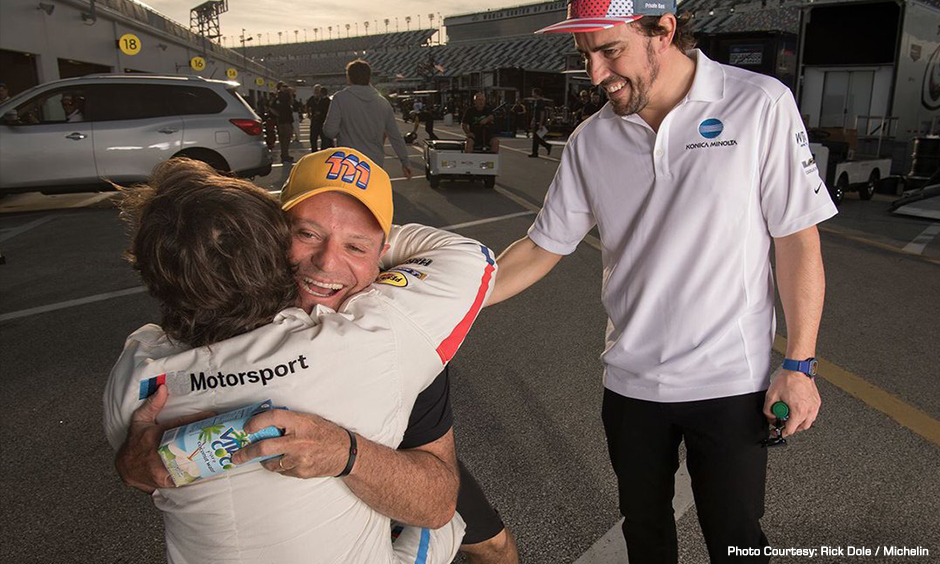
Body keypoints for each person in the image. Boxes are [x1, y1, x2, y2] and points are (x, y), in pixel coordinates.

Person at [489, 1, 838, 562]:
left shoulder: (758, 103)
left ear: (663, 31)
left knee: (737, 540)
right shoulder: (591, 140)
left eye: (610, 51)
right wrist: (447, 298)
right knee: (645, 534)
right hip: (631, 386)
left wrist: (799, 365)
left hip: (730, 382)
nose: (596, 75)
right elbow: (539, 248)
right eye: (585, 57)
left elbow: (796, 239)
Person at [105, 151, 498, 563]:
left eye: (355, 246)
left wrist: (147, 458)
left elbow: (146, 471)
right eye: (306, 234)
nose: (328, 261)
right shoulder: (383, 332)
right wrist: (347, 453)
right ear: (273, 235)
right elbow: (469, 256)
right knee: (469, 534)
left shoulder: (138, 369)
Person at [322, 59, 412, 179]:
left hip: (348, 163)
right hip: (374, 162)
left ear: (349, 77)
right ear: (369, 77)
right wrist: (405, 161)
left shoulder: (340, 98)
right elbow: (395, 135)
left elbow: (329, 131)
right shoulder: (383, 102)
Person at [272, 82, 295, 163]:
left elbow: (291, 103)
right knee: (285, 138)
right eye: (283, 86)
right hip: (284, 120)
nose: (286, 88)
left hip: (284, 119)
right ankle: (285, 155)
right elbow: (271, 107)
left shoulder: (282, 95)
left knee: (284, 139)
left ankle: (285, 154)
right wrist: (278, 114)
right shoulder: (281, 96)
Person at [528, 88, 551, 158]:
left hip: (539, 122)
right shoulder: (536, 101)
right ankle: (542, 148)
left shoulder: (541, 102)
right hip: (536, 120)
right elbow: (535, 113)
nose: (532, 94)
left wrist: (541, 123)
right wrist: (533, 120)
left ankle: (536, 151)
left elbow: (542, 113)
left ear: (536, 93)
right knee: (536, 137)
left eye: (533, 93)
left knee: (536, 137)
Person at [306, 84, 329, 151]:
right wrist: (309, 114)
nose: (316, 92)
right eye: (315, 90)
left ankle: (323, 152)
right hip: (314, 120)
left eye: (318, 90)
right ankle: (314, 152)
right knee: (313, 138)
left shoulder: (324, 99)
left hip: (323, 121)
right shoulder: (312, 99)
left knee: (324, 138)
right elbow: (307, 106)